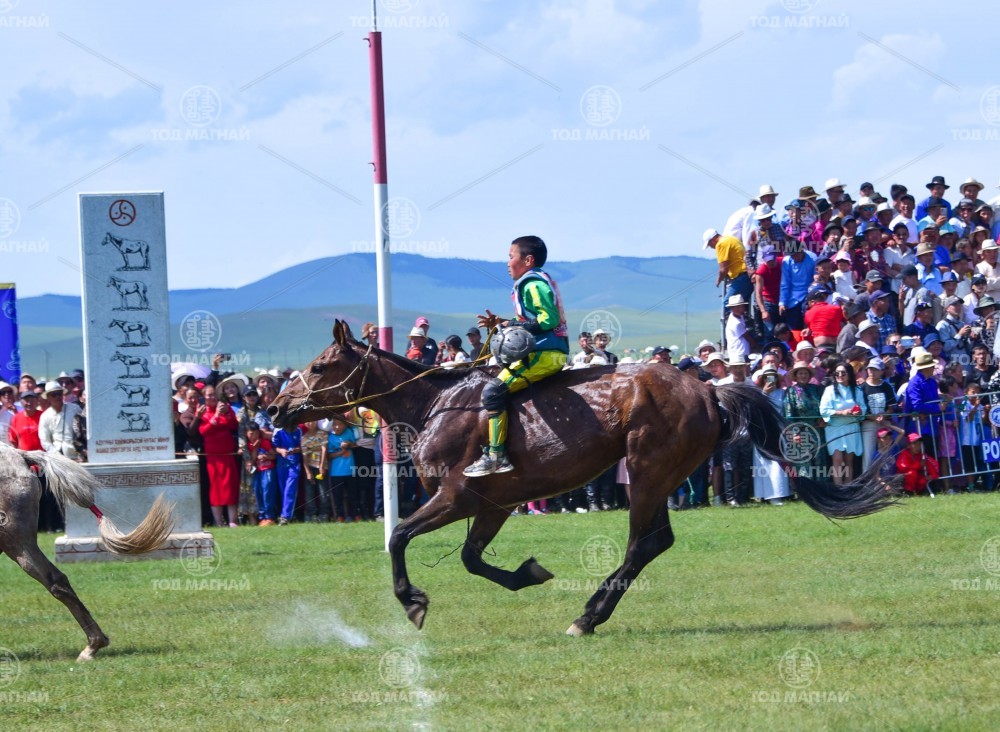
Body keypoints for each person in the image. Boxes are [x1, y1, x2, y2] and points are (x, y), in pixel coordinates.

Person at [464, 235, 570, 477]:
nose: (507, 263)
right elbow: (531, 320)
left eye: (511, 256)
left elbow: (548, 320)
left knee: (492, 392)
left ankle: (496, 456)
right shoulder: (535, 281)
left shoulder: (532, 284)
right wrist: (502, 322)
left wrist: (512, 325)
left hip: (546, 354)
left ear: (528, 260)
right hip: (544, 351)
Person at [190, 384, 240, 528]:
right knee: (216, 488)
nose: (212, 397)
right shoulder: (203, 412)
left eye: (214, 394)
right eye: (209, 395)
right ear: (204, 397)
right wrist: (217, 416)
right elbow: (204, 431)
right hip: (213, 457)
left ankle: (232, 520)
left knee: (230, 486)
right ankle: (218, 522)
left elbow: (233, 426)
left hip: (227, 454)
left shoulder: (225, 407)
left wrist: (228, 414)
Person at [820, 362, 867, 485]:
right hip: (834, 428)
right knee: (837, 460)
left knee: (848, 461)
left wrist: (859, 412)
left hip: (851, 428)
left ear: (849, 374)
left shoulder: (857, 390)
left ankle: (847, 487)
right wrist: (842, 412)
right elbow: (824, 410)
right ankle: (838, 488)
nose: (840, 375)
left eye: (843, 373)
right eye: (837, 373)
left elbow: (863, 407)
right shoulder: (829, 390)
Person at [38, 381, 82, 460]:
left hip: (77, 456)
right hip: (57, 458)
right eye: (54, 395)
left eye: (59, 393)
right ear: (48, 397)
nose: (57, 396)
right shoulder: (45, 416)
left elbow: (84, 429)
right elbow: (44, 440)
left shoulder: (75, 408)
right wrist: (56, 454)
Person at [704, 228, 752, 302]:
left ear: (712, 240)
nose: (711, 247)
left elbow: (723, 269)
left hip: (740, 277)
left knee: (727, 303)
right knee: (740, 303)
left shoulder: (721, 244)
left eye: (709, 244)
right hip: (746, 275)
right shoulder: (731, 239)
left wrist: (719, 280)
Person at [244, 422, 277, 526]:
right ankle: (262, 517)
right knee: (258, 493)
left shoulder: (265, 442)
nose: (253, 436)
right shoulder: (249, 446)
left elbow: (274, 455)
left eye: (256, 433)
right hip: (258, 471)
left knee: (267, 492)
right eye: (251, 434)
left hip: (267, 469)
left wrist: (266, 456)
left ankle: (270, 516)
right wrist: (255, 448)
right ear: (246, 434)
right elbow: (252, 460)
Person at [273, 421, 303, 525]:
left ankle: (285, 516)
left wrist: (295, 450)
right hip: (281, 463)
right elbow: (275, 446)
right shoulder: (278, 430)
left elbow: (303, 446)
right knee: (283, 490)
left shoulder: (298, 431)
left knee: (290, 489)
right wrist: (281, 451)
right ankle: (284, 514)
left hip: (294, 464)